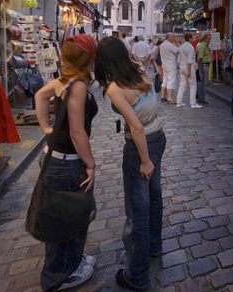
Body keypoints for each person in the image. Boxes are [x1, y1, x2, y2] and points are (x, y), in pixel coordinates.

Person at [93, 37, 167, 291]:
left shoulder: (115, 88)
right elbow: (151, 98)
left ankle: (137, 275)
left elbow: (135, 127)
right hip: (158, 136)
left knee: (138, 210)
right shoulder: (137, 68)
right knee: (155, 196)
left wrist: (144, 160)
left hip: (141, 147)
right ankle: (154, 246)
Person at [32, 35, 100, 291]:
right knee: (67, 218)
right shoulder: (78, 84)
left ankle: (70, 263)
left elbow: (40, 96)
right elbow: (76, 132)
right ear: (88, 57)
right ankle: (60, 275)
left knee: (67, 216)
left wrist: (47, 128)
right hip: (67, 161)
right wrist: (90, 164)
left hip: (59, 157)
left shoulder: (67, 80)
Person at [176, 33, 200, 108]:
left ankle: (179, 102)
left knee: (182, 85)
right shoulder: (191, 47)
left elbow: (179, 60)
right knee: (193, 84)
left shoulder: (181, 46)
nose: (193, 38)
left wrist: (180, 68)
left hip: (182, 67)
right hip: (189, 67)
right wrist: (189, 71)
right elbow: (189, 60)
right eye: (192, 37)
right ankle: (193, 103)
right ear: (189, 38)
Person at [159, 33, 180, 104]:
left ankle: (162, 96)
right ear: (169, 38)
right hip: (171, 65)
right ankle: (169, 98)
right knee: (171, 81)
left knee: (165, 80)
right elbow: (178, 51)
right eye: (173, 37)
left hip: (164, 65)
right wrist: (177, 43)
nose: (174, 38)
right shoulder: (170, 45)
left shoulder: (162, 44)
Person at [195, 33, 212, 105]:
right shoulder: (202, 46)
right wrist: (198, 66)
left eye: (210, 39)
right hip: (203, 65)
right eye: (209, 39)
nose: (210, 40)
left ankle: (200, 97)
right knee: (204, 83)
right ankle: (201, 98)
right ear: (205, 39)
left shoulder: (204, 45)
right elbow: (200, 57)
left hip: (204, 65)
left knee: (202, 82)